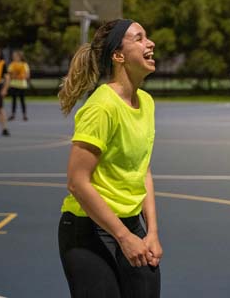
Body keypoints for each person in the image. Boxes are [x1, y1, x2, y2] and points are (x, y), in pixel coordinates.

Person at [57, 19, 162, 298]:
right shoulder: (102, 107)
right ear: (118, 56)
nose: (150, 43)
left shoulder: (146, 102)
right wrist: (123, 237)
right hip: (88, 229)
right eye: (139, 38)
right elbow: (77, 182)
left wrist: (151, 232)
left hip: (131, 224)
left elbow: (143, 170)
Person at [7, 50, 30, 121]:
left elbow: (27, 75)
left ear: (20, 57)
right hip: (14, 85)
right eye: (13, 56)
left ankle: (24, 115)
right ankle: (13, 114)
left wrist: (21, 77)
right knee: (14, 100)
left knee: (22, 100)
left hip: (22, 85)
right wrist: (12, 77)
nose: (14, 57)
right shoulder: (12, 64)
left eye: (15, 56)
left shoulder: (24, 64)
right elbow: (9, 74)